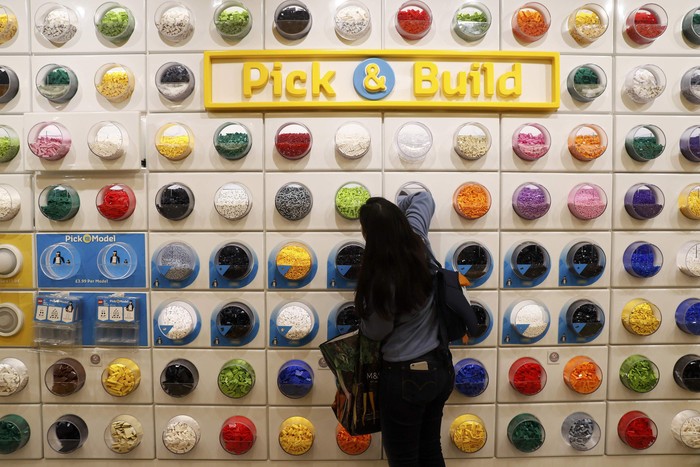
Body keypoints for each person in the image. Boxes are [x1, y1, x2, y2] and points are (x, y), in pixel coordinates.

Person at [355, 191, 454, 467]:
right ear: (400, 222)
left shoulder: (382, 277)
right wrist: (398, 208)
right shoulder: (419, 241)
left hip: (405, 377)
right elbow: (424, 197)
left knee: (404, 459)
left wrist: (363, 318)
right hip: (440, 367)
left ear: (369, 235)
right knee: (430, 450)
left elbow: (376, 331)